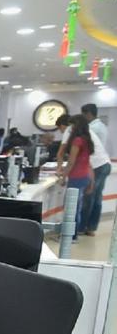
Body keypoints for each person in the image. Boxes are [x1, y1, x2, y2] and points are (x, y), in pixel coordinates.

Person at [57, 109, 110, 236]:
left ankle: (76, 231)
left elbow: (66, 157)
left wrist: (61, 173)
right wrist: (91, 181)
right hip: (101, 165)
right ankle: (89, 228)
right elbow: (87, 163)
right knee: (94, 199)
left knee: (78, 203)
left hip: (84, 172)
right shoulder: (87, 137)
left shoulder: (75, 137)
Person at [57, 116, 95, 241]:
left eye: (72, 125)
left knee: (71, 208)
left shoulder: (77, 141)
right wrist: (92, 182)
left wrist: (63, 176)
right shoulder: (87, 140)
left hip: (76, 177)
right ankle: (73, 235)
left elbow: (71, 162)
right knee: (77, 207)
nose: (70, 128)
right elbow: (88, 163)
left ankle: (71, 236)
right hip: (84, 177)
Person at [80, 103, 112, 235]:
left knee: (89, 196)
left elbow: (88, 151)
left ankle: (82, 227)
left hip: (97, 165)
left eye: (83, 114)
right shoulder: (102, 126)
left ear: (88, 114)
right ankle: (91, 227)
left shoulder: (90, 128)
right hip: (104, 163)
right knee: (97, 197)